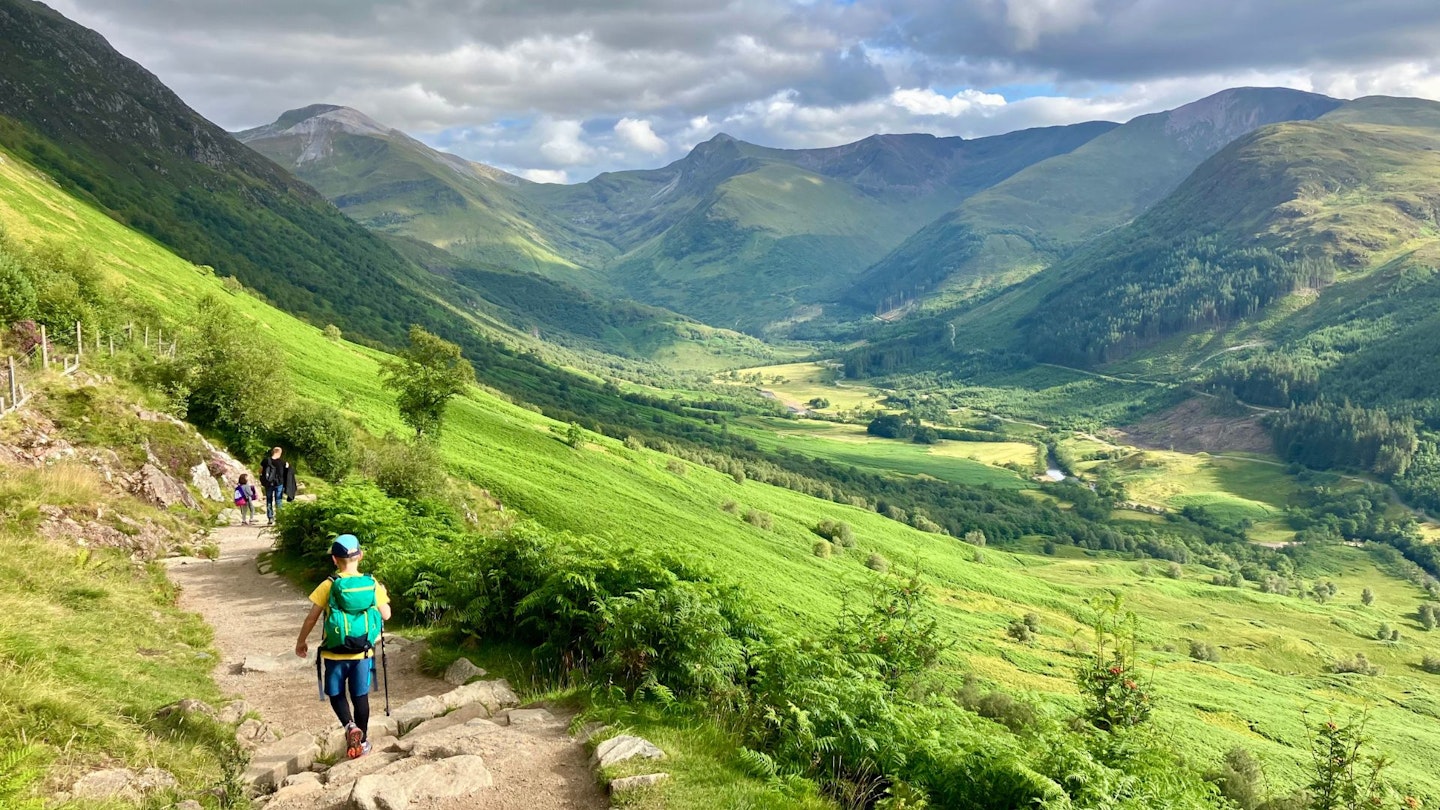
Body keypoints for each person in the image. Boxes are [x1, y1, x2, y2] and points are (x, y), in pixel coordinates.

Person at [294, 534, 390, 759]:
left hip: (334, 653)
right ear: (361, 556)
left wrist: (301, 642)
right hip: (362, 653)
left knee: (336, 693)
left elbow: (311, 618)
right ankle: (362, 741)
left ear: (334, 560)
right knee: (361, 697)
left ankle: (349, 726)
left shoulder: (329, 584)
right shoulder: (372, 583)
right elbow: (386, 614)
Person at [259, 447, 292, 525]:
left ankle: (270, 517)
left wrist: (263, 479)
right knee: (278, 500)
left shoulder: (266, 461)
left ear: (273, 452)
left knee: (269, 500)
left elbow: (260, 471)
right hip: (279, 483)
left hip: (268, 483)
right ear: (279, 453)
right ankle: (279, 518)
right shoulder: (283, 462)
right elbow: (287, 473)